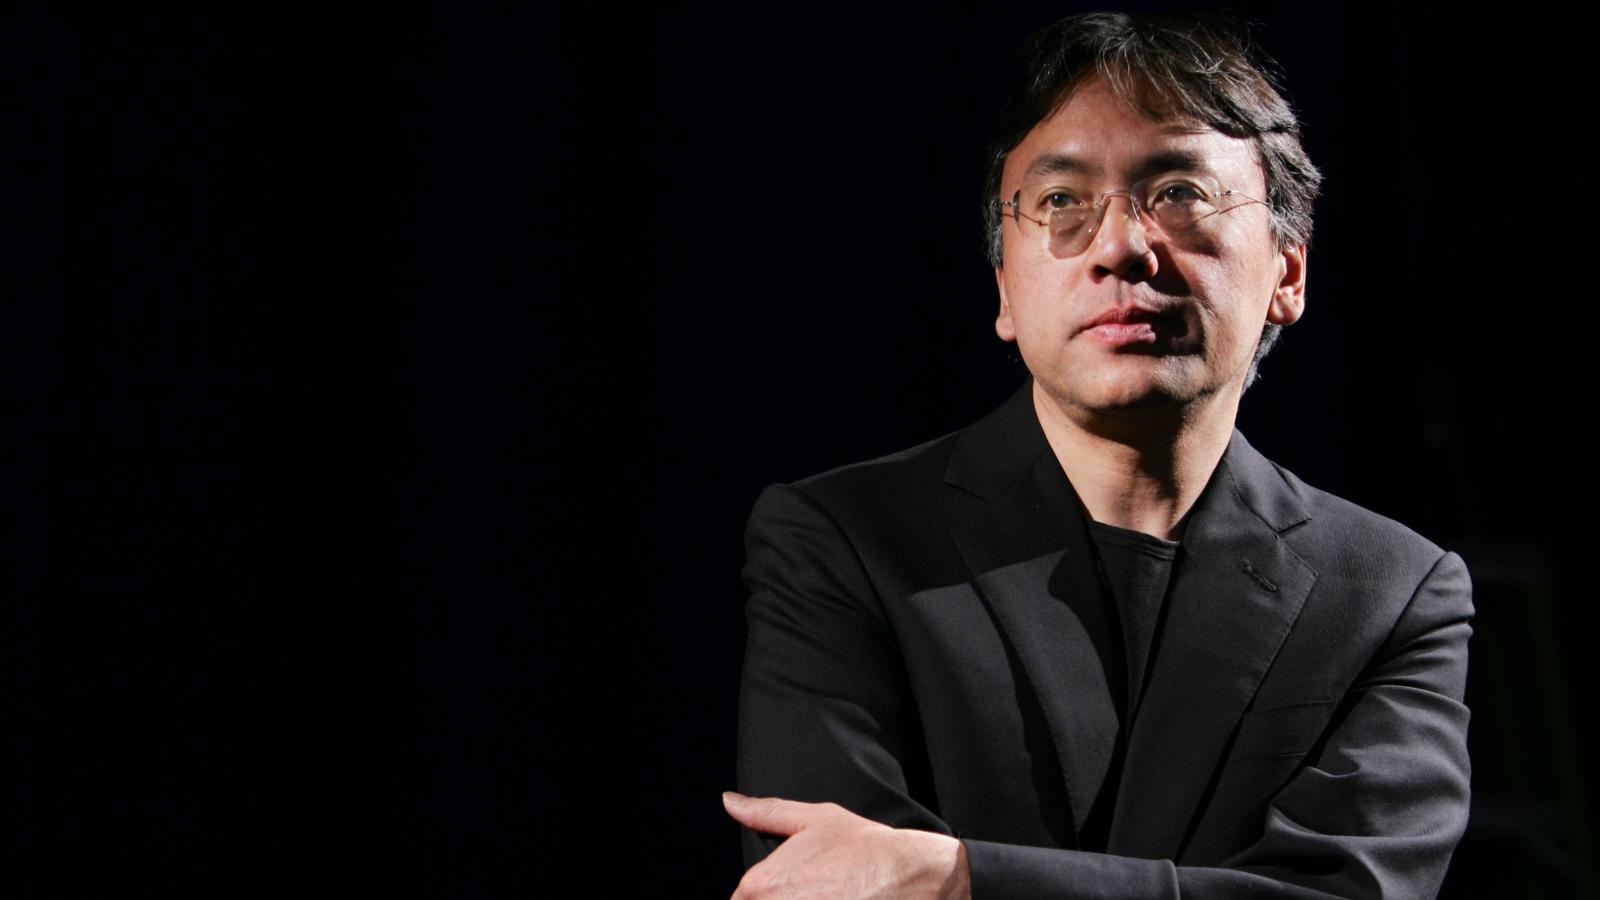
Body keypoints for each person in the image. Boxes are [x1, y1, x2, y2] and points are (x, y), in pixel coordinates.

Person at [725, 11, 1473, 900]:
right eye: (1061, 203)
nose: (1121, 248)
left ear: (1288, 271)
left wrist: (961, 878)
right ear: (1005, 290)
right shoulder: (843, 543)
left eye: (1180, 193)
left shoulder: (1391, 594)